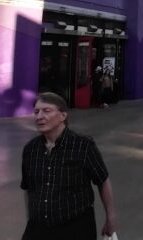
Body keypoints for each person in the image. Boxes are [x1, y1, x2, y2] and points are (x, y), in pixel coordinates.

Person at [21, 92, 116, 240]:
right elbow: (28, 188)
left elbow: (102, 181)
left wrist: (110, 218)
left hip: (75, 227)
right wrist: (31, 217)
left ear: (63, 116)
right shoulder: (30, 149)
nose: (39, 116)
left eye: (46, 111)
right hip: (38, 227)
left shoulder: (83, 146)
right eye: (36, 112)